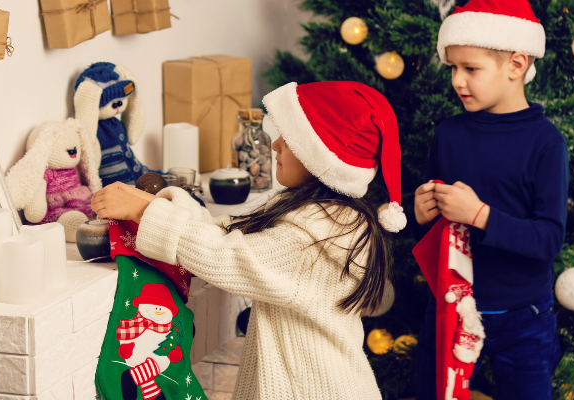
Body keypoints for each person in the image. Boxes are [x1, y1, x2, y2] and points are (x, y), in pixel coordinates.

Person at [92, 81, 407, 399]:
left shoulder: (317, 238)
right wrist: (154, 203)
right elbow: (224, 234)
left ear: (319, 159)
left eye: (291, 138)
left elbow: (229, 256)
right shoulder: (313, 215)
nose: (275, 145)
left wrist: (148, 212)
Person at [413, 0, 569, 398]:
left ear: (516, 65)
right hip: (451, 309)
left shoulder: (546, 143)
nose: (457, 81)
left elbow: (548, 239)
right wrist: (422, 211)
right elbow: (439, 221)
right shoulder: (448, 134)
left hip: (525, 321)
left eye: (471, 69)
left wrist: (481, 215)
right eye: (453, 68)